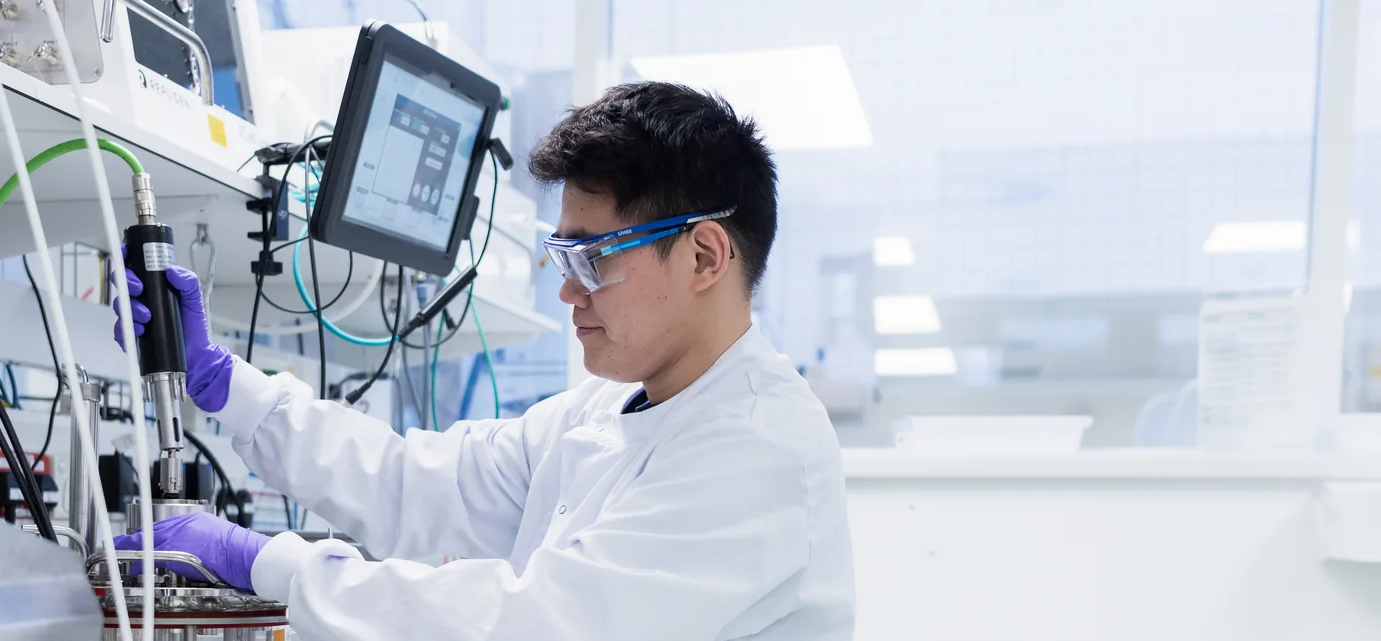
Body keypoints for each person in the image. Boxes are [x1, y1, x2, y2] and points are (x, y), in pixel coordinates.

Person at [115, 81, 853, 640]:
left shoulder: (760, 449)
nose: (568, 288)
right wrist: (223, 382)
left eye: (594, 257)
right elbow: (417, 484)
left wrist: (264, 559)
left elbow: (530, 622)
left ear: (703, 255)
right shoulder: (604, 410)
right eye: (564, 256)